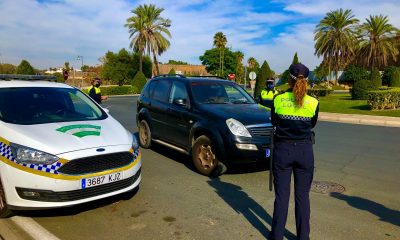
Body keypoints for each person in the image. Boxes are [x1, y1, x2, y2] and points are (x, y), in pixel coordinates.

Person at [269, 63, 319, 240]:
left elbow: (274, 121)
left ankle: (276, 236)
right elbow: (312, 124)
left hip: (283, 150)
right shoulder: (313, 102)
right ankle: (303, 237)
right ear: (306, 81)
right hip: (305, 151)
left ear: (289, 80)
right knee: (303, 197)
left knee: (282, 197)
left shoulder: (278, 99)